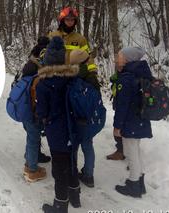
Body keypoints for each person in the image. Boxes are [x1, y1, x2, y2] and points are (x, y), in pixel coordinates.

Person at [36, 37, 81, 213]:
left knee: (59, 168)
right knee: (72, 163)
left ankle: (60, 204)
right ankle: (75, 197)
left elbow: (42, 112)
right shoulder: (72, 79)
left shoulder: (44, 84)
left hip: (56, 131)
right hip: (73, 128)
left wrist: (44, 120)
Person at [113, 47, 152, 198]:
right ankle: (139, 181)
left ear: (128, 59)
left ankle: (134, 184)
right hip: (140, 119)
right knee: (135, 150)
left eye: (120, 55)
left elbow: (123, 105)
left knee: (131, 153)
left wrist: (117, 126)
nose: (117, 58)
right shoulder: (141, 72)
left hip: (130, 121)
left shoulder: (127, 77)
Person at [68, 49, 100, 188]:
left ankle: (73, 172)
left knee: (73, 147)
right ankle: (88, 175)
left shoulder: (69, 76)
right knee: (88, 146)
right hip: (88, 119)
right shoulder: (91, 77)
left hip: (74, 118)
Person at [22, 36, 51, 182]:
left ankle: (30, 159)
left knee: (31, 137)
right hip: (33, 109)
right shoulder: (40, 67)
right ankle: (32, 170)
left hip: (25, 107)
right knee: (33, 138)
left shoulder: (30, 63)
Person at [48, 6, 97, 72]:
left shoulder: (80, 39)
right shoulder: (53, 36)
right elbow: (45, 54)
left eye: (72, 20)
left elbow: (88, 57)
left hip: (74, 75)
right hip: (55, 74)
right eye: (67, 19)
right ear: (62, 20)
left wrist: (92, 71)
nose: (70, 22)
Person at [106, 71, 126, 160]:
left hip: (124, 106)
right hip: (119, 104)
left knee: (119, 130)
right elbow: (112, 78)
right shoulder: (120, 74)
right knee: (120, 130)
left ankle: (123, 153)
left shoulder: (127, 75)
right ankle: (122, 151)